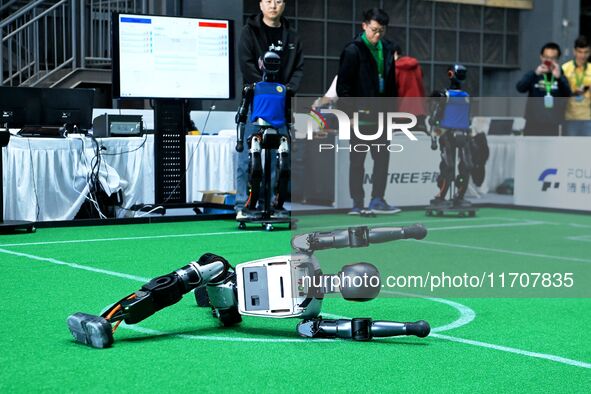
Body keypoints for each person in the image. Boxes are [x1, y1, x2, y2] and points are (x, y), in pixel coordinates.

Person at [236, 0, 303, 217]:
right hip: (256, 103)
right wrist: (264, 89)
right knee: (248, 156)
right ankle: (243, 205)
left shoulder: (292, 36)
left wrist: (286, 91)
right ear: (261, 4)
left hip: (281, 108)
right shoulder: (249, 32)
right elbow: (246, 64)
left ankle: (272, 204)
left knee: (278, 157)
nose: (273, 5)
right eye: (268, 1)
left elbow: (299, 69)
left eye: (278, 1)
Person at [336, 8, 400, 215]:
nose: (377, 35)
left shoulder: (389, 49)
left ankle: (378, 199)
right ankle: (357, 204)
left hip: (382, 115)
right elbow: (343, 87)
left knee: (382, 160)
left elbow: (392, 84)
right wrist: (349, 115)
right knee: (358, 162)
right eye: (373, 30)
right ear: (364, 26)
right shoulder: (353, 50)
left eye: (381, 30)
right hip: (359, 117)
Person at [516, 42, 571, 136]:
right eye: (546, 57)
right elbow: (520, 88)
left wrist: (559, 78)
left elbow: (568, 94)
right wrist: (535, 74)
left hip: (553, 124)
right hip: (533, 124)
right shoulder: (534, 74)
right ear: (541, 57)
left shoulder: (560, 76)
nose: (548, 61)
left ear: (557, 60)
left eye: (552, 58)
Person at [562, 35, 591, 136]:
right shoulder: (565, 69)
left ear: (590, 52)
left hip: (588, 118)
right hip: (570, 117)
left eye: (586, 52)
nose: (582, 56)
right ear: (574, 51)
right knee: (571, 149)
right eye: (580, 52)